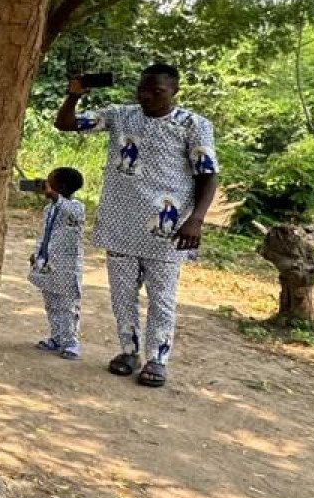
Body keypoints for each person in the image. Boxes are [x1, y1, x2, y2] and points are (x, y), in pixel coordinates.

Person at [56, 63, 220, 389]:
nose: (147, 96)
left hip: (167, 230)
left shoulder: (193, 125)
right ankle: (128, 352)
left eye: (156, 91)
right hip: (120, 224)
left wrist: (196, 221)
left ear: (174, 91)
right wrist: (73, 96)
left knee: (161, 298)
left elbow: (208, 174)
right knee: (122, 296)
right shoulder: (121, 115)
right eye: (142, 89)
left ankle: (157, 359)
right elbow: (66, 124)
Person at [27, 167, 88, 361]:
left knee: (68, 304)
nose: (45, 184)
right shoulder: (49, 209)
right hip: (49, 263)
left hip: (67, 266)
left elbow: (68, 209)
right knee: (51, 302)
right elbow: (45, 233)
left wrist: (54, 196)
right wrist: (37, 254)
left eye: (49, 182)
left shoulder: (77, 207)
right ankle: (56, 337)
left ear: (60, 187)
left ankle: (71, 342)